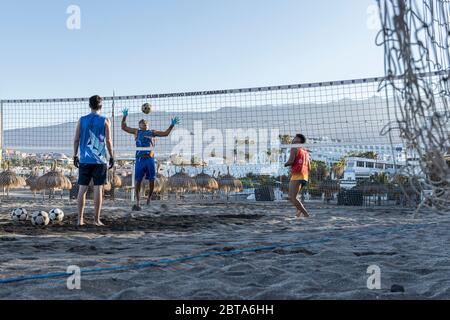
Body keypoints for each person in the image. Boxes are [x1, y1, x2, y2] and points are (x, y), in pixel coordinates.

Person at [121, 108, 180, 211]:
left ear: (148, 125)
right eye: (142, 123)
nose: (144, 124)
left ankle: (148, 198)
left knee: (152, 180)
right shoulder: (136, 132)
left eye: (146, 123)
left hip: (150, 159)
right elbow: (124, 127)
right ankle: (138, 201)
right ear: (139, 125)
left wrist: (172, 125)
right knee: (138, 181)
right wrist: (125, 116)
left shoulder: (152, 132)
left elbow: (165, 133)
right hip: (140, 159)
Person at [73, 95, 114, 226]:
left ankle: (80, 220)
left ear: (89, 106)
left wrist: (75, 155)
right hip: (100, 159)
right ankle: (96, 220)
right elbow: (108, 140)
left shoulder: (82, 120)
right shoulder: (105, 120)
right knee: (98, 189)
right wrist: (112, 156)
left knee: (82, 189)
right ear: (101, 106)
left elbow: (76, 139)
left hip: (85, 159)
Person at [284, 134, 311, 218]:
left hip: (297, 175)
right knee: (294, 197)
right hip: (305, 176)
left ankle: (306, 214)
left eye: (295, 138)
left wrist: (285, 164)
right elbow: (309, 167)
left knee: (292, 197)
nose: (293, 139)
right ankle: (299, 213)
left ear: (298, 140)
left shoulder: (294, 148)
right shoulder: (305, 152)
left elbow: (291, 161)